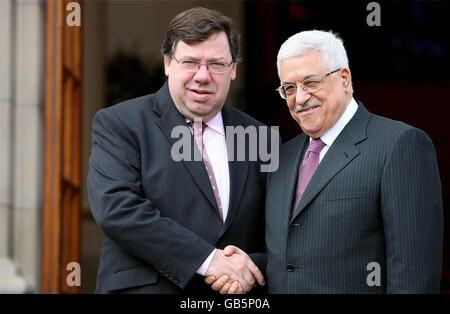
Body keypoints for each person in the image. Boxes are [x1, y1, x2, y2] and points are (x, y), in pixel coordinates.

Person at [210, 30, 444, 293]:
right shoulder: (282, 157)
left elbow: (414, 275)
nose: (299, 98)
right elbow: (295, 258)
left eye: (310, 82)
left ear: (344, 78)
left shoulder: (399, 145)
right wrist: (250, 266)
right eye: (289, 88)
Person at [87, 7, 271, 294]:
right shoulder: (120, 123)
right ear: (167, 64)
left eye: (216, 64)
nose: (202, 76)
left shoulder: (258, 135)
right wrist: (209, 261)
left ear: (233, 69)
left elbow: (279, 227)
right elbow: (116, 208)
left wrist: (248, 266)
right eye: (190, 62)